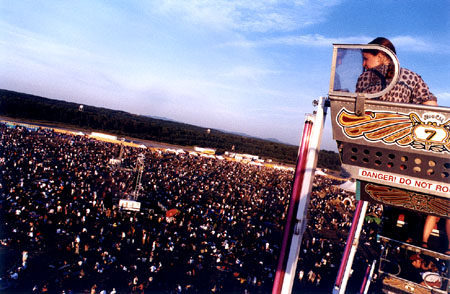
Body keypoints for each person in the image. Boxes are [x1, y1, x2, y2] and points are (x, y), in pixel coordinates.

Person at [355, 37, 437, 106]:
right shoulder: (411, 77)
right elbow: (431, 104)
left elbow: (356, 106)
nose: (363, 64)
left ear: (379, 57)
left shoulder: (365, 77)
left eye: (366, 59)